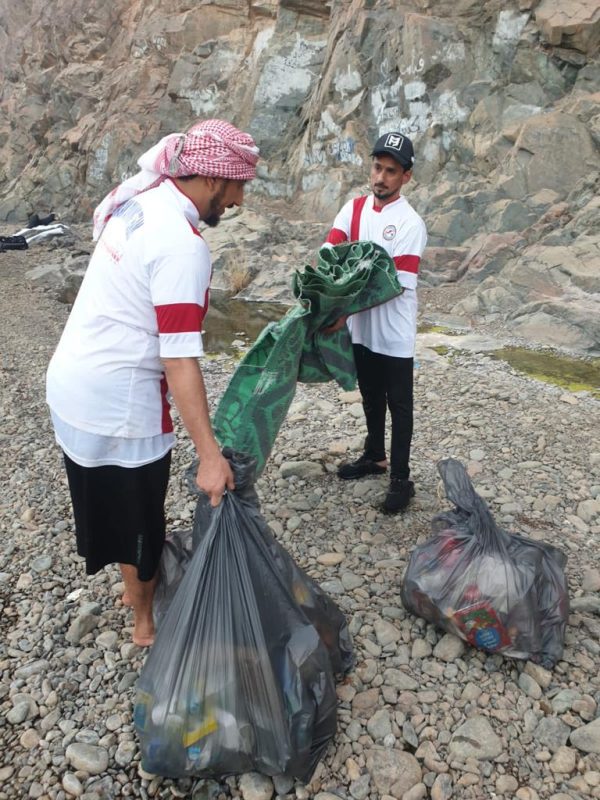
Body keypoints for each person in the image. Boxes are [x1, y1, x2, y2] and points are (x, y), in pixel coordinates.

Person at [46, 119, 259, 646]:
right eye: (238, 186)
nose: (238, 201)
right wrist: (209, 457)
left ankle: (130, 592)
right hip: (118, 405)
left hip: (73, 383)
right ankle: (145, 624)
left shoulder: (143, 202)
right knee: (142, 519)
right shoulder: (182, 246)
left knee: (111, 507)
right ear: (213, 178)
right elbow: (179, 359)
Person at [323, 131, 427, 513]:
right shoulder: (353, 210)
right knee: (370, 394)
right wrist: (324, 298)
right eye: (377, 167)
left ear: (406, 176)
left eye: (391, 171)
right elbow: (330, 253)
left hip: (394, 331)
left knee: (399, 404)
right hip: (362, 330)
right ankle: (374, 456)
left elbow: (393, 286)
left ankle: (400, 478)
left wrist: (343, 310)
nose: (380, 177)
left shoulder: (411, 224)